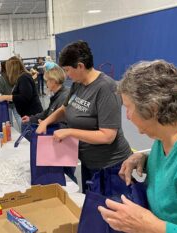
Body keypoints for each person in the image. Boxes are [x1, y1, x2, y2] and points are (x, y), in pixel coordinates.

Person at [98, 60, 177, 233]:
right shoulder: (165, 134)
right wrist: (144, 159)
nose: (128, 117)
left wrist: (154, 227)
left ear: (152, 108)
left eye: (129, 108)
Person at [36, 41, 132, 193]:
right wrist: (47, 121)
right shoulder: (78, 84)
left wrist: (70, 132)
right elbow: (64, 108)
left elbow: (108, 136)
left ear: (80, 66)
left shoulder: (106, 88)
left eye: (68, 70)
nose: (67, 75)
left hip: (110, 166)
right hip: (89, 162)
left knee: (108, 213)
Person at [22, 63, 76, 183]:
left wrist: (47, 124)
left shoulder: (64, 97)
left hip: (64, 143)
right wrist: (32, 119)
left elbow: (65, 121)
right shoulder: (57, 95)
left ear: (53, 81)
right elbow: (47, 113)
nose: (46, 84)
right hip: (58, 141)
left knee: (67, 176)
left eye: (47, 81)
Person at [0, 56, 43, 131]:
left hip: (31, 115)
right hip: (27, 116)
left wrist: (6, 97)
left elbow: (24, 97)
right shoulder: (21, 78)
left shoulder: (24, 78)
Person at [0, 61, 22, 130]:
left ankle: (11, 133)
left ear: (2, 67)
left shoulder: (1, 77)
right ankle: (24, 133)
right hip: (15, 99)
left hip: (6, 101)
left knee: (9, 120)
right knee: (18, 117)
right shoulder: (13, 75)